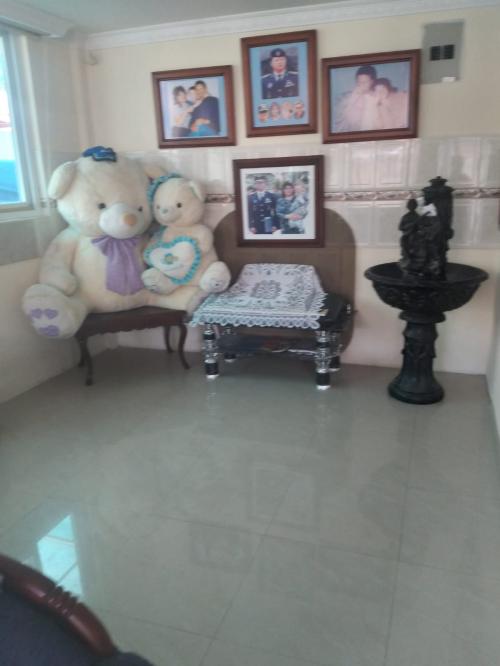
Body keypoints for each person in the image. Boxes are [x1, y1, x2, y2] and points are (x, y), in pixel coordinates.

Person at [334, 64, 377, 132]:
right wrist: (353, 97)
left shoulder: (377, 97)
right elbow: (339, 120)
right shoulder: (346, 97)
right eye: (359, 82)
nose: (361, 84)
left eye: (365, 82)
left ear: (372, 82)